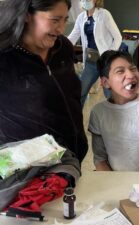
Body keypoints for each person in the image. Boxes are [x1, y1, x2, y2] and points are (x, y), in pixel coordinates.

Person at [0, 0, 88, 164]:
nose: (61, 28)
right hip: (28, 170)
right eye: (55, 20)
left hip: (70, 161)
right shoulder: (5, 57)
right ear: (26, 15)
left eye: (65, 20)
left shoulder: (63, 48)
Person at [88, 50, 139, 172]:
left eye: (133, 69)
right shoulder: (98, 113)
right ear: (105, 82)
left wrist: (137, 186)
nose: (131, 75)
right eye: (120, 71)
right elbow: (99, 158)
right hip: (113, 180)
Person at [68, 0, 122, 106]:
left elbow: (118, 37)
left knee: (109, 94)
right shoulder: (80, 17)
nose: (85, 1)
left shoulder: (104, 14)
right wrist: (58, 44)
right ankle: (76, 119)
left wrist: (109, 54)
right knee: (80, 92)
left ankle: (114, 119)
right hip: (90, 62)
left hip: (105, 63)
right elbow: (73, 36)